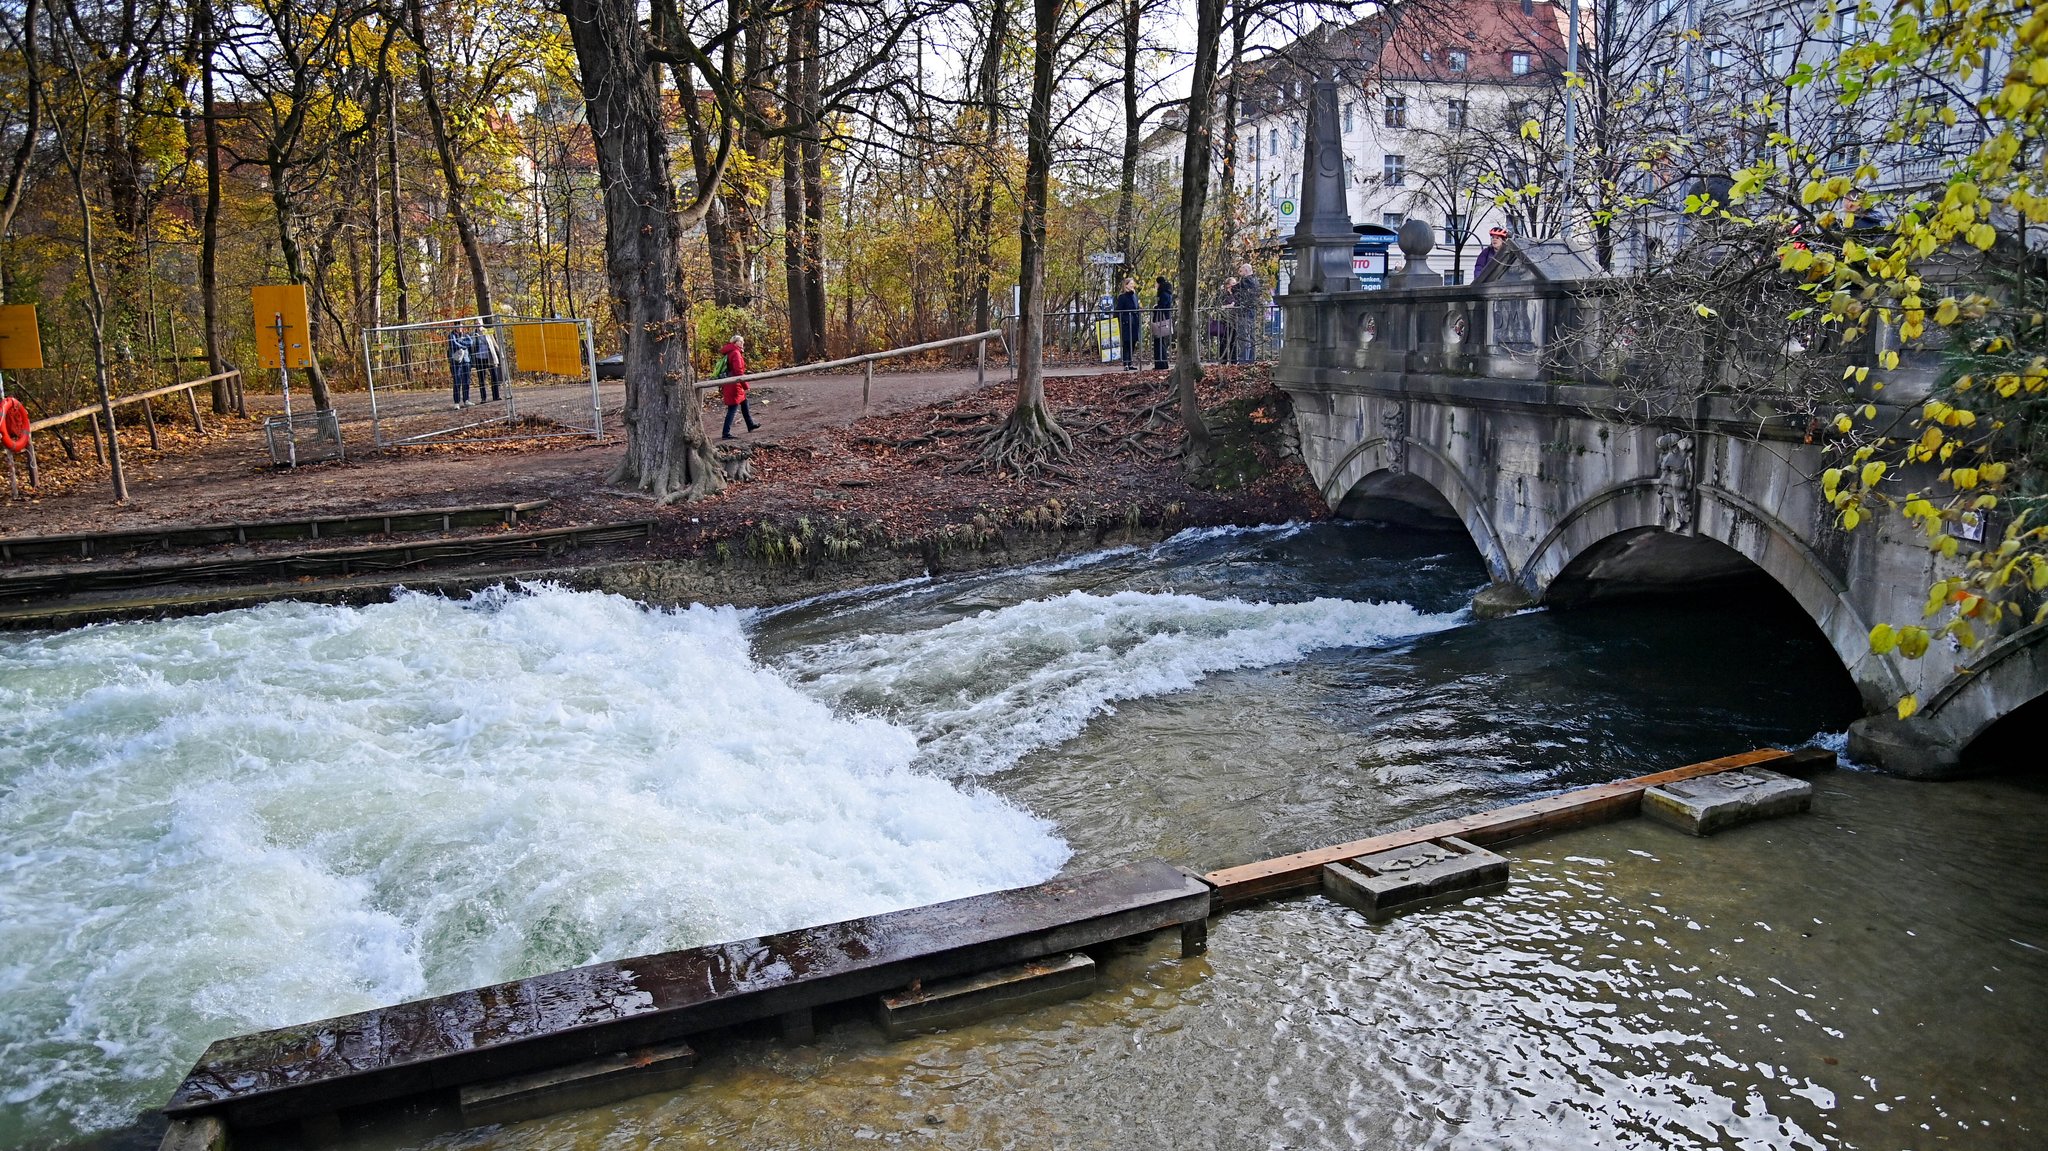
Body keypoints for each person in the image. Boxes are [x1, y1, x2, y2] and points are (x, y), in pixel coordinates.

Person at [717, 334, 758, 439]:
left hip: (732, 383)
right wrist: (746, 386)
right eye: (740, 341)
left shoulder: (730, 352)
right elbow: (739, 372)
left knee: (744, 403)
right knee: (732, 408)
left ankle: (750, 424)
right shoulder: (735, 353)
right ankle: (726, 433)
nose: (742, 343)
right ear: (735, 343)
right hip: (734, 384)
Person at [1231, 262, 1264, 362]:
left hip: (1244, 312)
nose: (1239, 273)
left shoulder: (1246, 281)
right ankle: (1250, 360)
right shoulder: (1255, 281)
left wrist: (1233, 287)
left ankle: (1243, 361)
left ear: (1246, 271)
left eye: (1241, 271)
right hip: (1251, 312)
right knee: (1251, 337)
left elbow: (1235, 289)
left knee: (1243, 338)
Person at [1114, 277, 1142, 371]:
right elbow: (1118, 310)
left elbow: (1136, 308)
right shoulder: (1122, 297)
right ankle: (1126, 362)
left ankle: (1130, 362)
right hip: (1126, 322)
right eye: (1130, 284)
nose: (1132, 285)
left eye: (1132, 284)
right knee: (1127, 342)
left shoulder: (1134, 295)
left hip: (1134, 321)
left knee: (1133, 342)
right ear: (1126, 285)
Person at [471, 323, 504, 402]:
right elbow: (471, 346)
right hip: (479, 358)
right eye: (476, 324)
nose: (478, 326)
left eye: (479, 323)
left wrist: (500, 353)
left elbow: (494, 343)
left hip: (489, 357)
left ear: (482, 324)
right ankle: (483, 398)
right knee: (481, 379)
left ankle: (496, 396)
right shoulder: (473, 333)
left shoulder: (487, 331)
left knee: (494, 376)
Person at [1151, 274, 1174, 370]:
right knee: (1162, 342)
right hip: (1165, 319)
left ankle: (1160, 364)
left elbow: (1162, 306)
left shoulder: (1163, 294)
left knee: (1158, 342)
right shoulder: (1168, 292)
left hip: (1161, 320)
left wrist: (1156, 307)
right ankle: (1162, 363)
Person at [446, 326, 472, 409]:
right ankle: (456, 402)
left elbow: (470, 343)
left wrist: (460, 343)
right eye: (458, 326)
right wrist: (463, 345)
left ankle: (466, 400)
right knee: (457, 382)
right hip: (456, 361)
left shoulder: (466, 334)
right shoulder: (451, 335)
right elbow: (454, 344)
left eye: (461, 326)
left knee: (466, 381)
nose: (460, 328)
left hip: (466, 361)